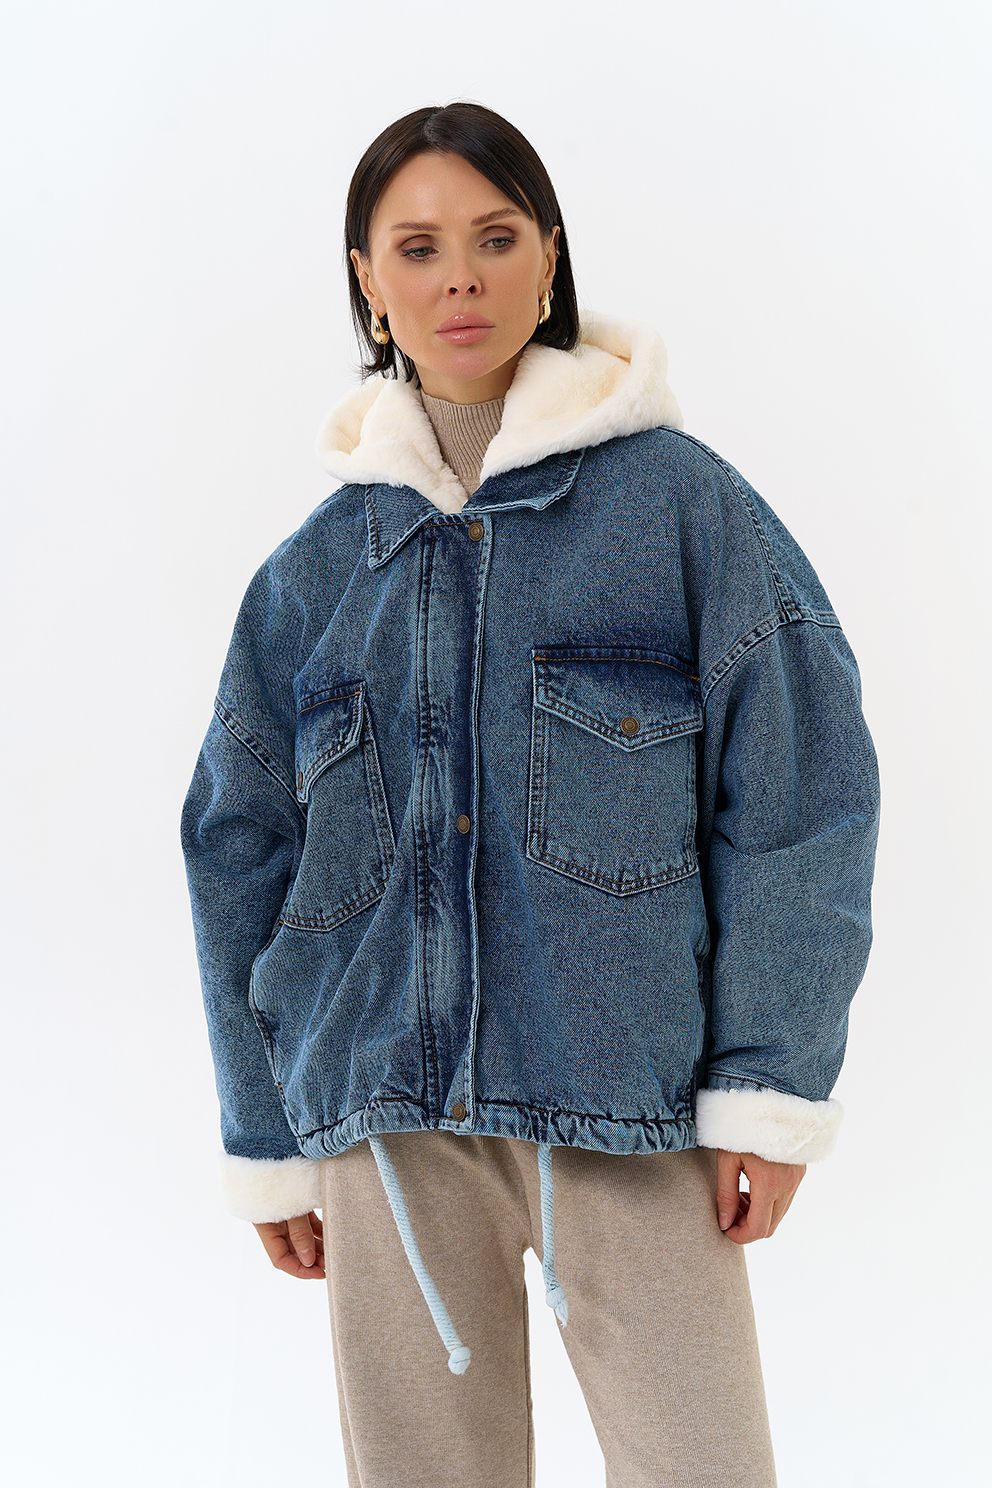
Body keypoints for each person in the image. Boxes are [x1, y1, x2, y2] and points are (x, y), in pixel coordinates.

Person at [181, 101, 879, 1488]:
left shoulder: (681, 508)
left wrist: (769, 1080)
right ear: (368, 281)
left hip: (628, 1104)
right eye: (418, 248)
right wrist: (266, 1128)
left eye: (495, 239)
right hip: (385, 1125)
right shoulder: (315, 573)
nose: (461, 279)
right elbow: (236, 848)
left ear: (549, 258)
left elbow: (801, 790)